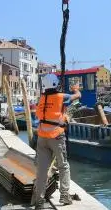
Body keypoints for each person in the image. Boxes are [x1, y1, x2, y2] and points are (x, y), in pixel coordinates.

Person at [31, 74, 81, 209]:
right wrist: (76, 89)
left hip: (42, 137)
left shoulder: (41, 98)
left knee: (42, 170)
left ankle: (39, 201)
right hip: (56, 136)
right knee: (63, 166)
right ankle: (65, 196)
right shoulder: (61, 97)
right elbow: (77, 96)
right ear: (55, 84)